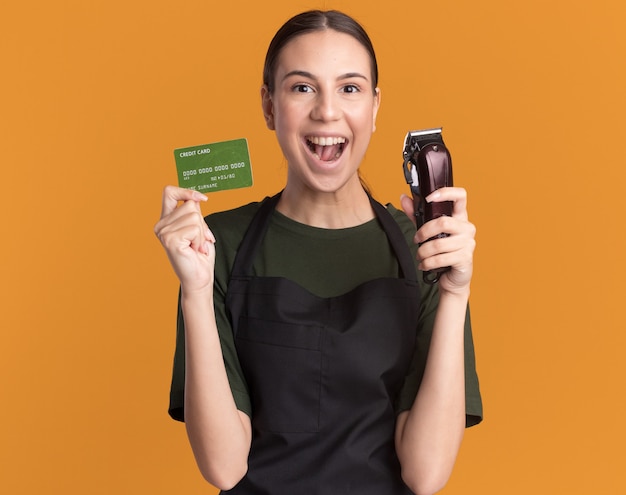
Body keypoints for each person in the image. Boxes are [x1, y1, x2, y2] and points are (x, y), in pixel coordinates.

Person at [154, 10, 482, 495]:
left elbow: (426, 473)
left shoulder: (425, 246)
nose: (327, 112)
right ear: (269, 106)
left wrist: (455, 292)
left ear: (374, 106)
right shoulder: (213, 245)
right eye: (302, 87)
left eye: (349, 88)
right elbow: (224, 467)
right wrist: (196, 292)